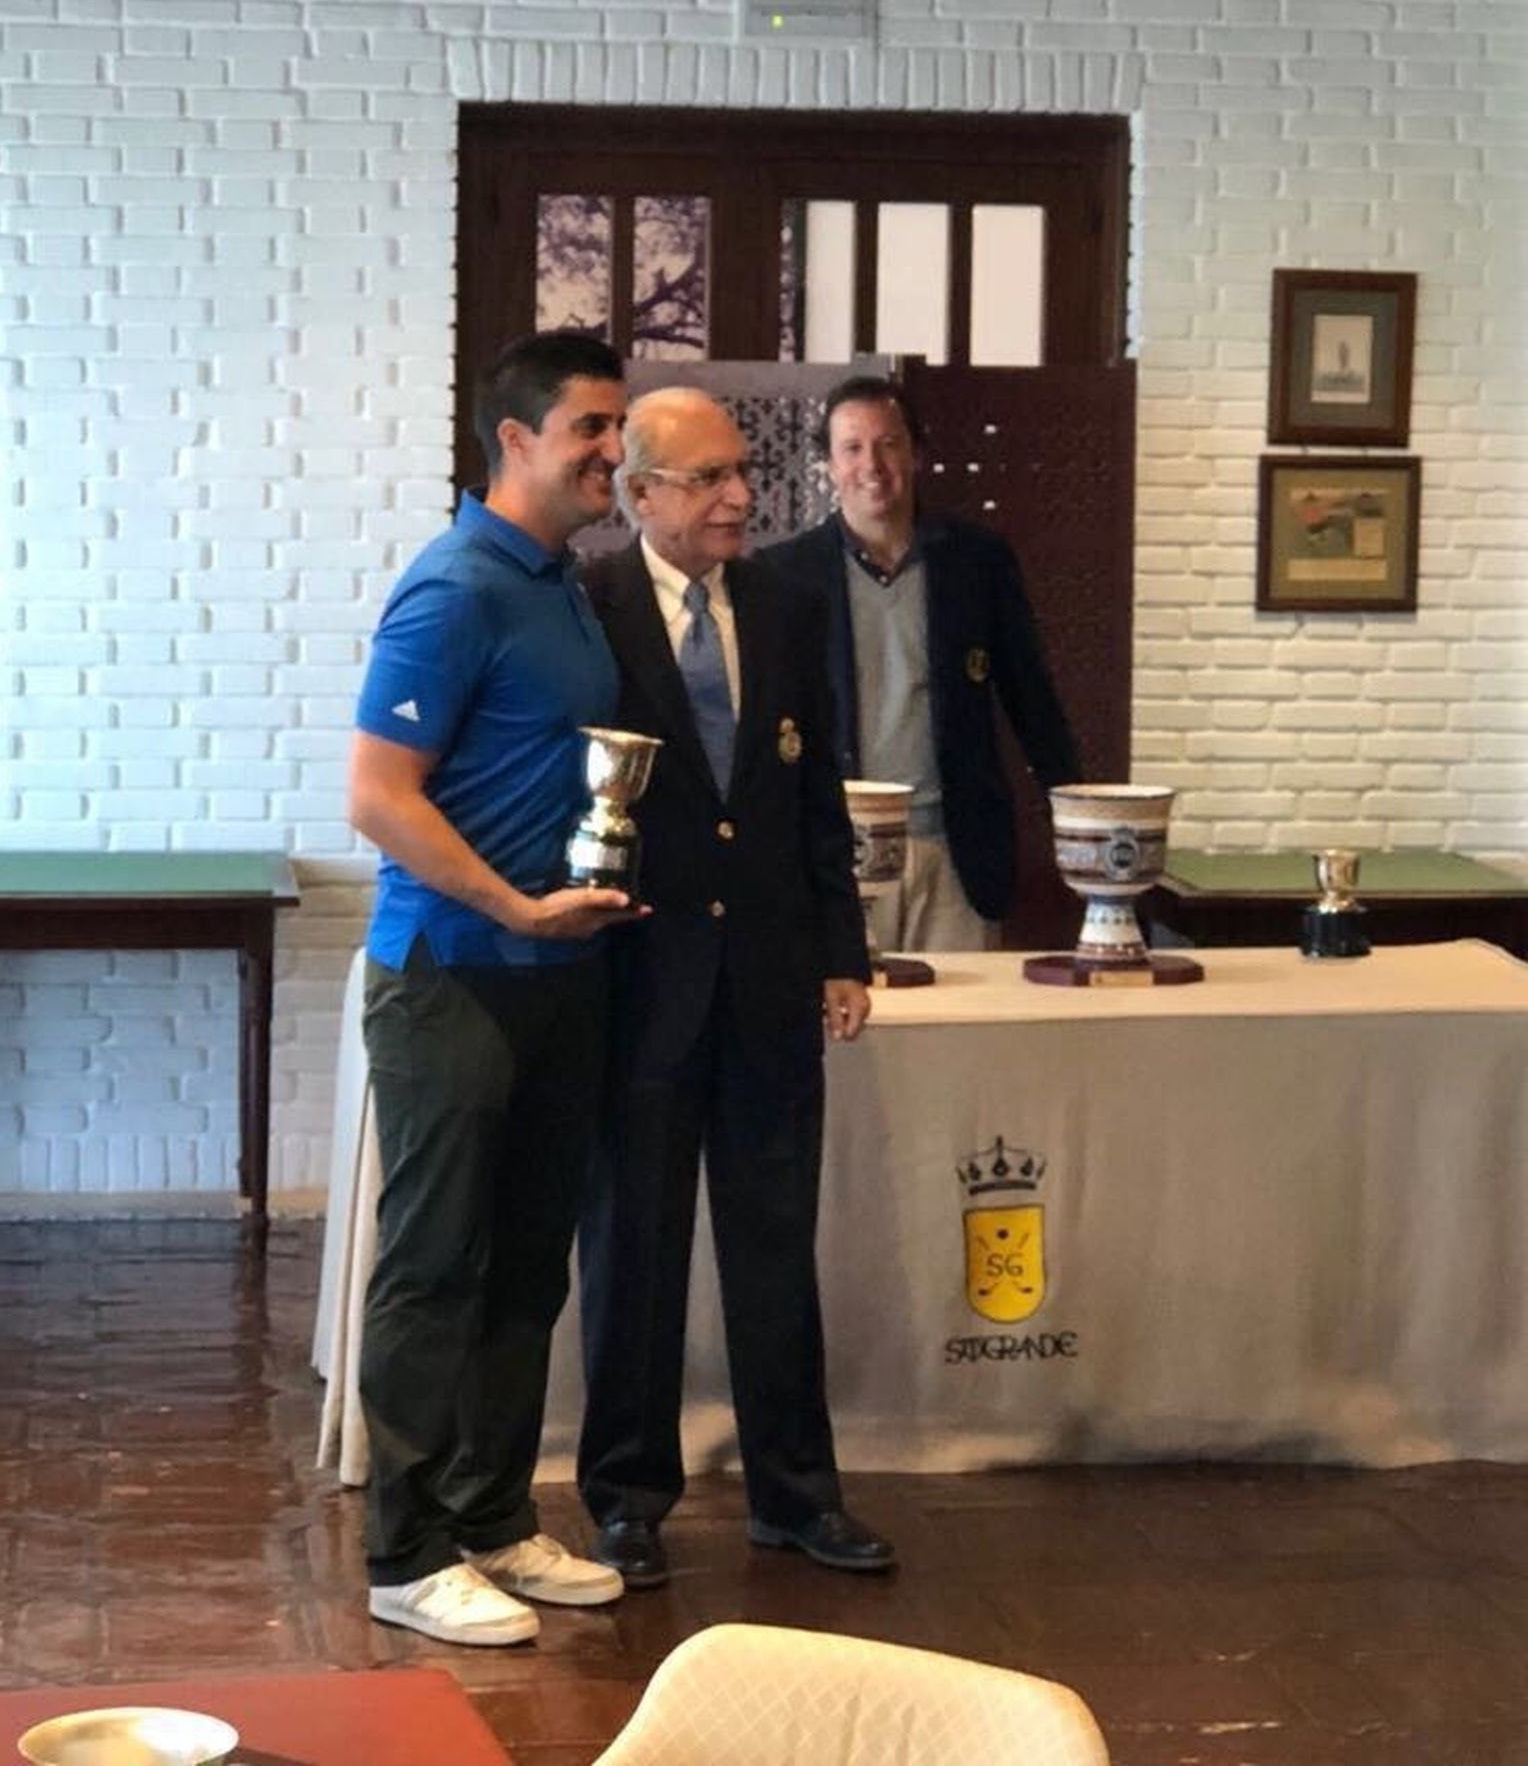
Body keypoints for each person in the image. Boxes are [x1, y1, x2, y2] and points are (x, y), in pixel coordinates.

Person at [346, 330, 641, 1649]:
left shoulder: (562, 581)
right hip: (453, 977)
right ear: (513, 439)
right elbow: (376, 798)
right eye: (590, 426)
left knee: (527, 1267)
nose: (612, 450)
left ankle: (491, 1516)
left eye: (618, 425)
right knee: (434, 1268)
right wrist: (517, 906)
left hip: (558, 976)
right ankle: (403, 1553)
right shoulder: (454, 587)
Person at [576, 387, 894, 1589]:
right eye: (706, 478)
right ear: (640, 494)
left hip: (768, 982)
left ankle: (796, 1496)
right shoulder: (588, 606)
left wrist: (839, 952)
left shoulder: (785, 603)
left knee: (773, 1246)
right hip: (642, 980)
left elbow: (820, 797)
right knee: (634, 1250)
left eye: (743, 473)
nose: (739, 496)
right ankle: (627, 1501)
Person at [760, 374, 1079, 951]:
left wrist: (1075, 803)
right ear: (829, 465)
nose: (872, 465)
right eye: (852, 449)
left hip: (956, 849)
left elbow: (1031, 697)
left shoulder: (977, 561)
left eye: (888, 444)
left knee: (959, 1031)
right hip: (838, 851)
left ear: (917, 452)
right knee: (847, 1032)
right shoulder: (783, 576)